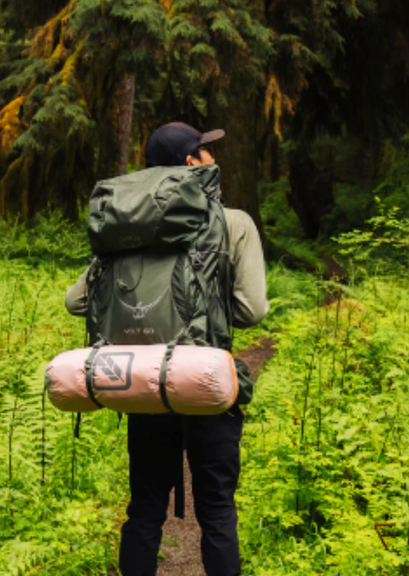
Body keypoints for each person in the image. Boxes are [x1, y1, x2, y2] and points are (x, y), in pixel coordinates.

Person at [64, 122, 269, 576]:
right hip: (207, 382)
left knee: (145, 509)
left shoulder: (127, 228)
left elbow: (75, 300)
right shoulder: (232, 222)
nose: (214, 158)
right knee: (216, 510)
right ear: (191, 163)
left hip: (145, 382)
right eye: (206, 151)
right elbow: (252, 309)